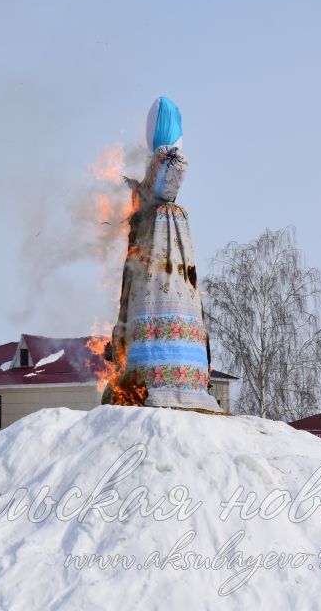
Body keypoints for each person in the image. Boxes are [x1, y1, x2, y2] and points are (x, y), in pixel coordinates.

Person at [104, 96, 223, 413]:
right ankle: (163, 375)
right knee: (161, 295)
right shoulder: (165, 164)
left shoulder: (168, 161)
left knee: (160, 295)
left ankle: (160, 373)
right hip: (159, 242)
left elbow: (166, 185)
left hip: (157, 244)